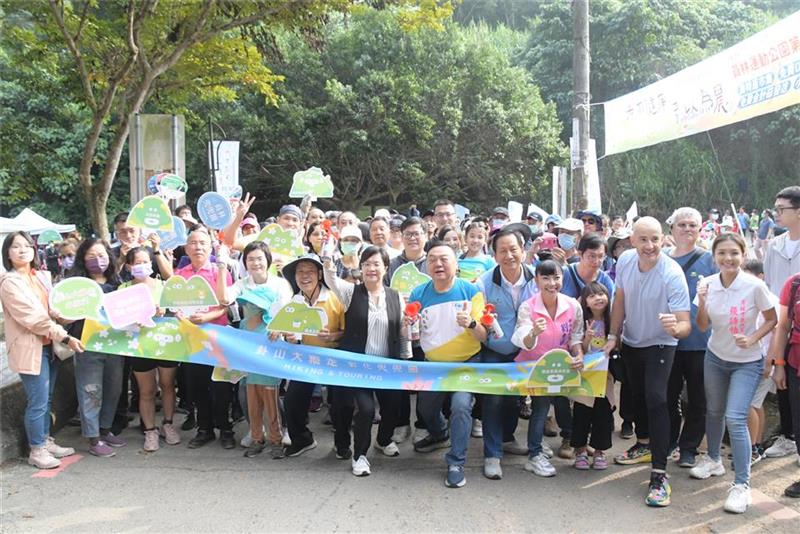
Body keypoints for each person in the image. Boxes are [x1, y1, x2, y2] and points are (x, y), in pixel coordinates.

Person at [605, 216, 691, 507]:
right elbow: (620, 299)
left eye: (655, 239)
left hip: (661, 345)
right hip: (632, 341)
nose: (650, 245)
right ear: (632, 240)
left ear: (663, 239)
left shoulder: (672, 273)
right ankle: (643, 445)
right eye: (644, 239)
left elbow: (685, 325)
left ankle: (659, 474)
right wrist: (613, 336)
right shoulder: (627, 261)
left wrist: (674, 328)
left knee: (657, 399)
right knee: (637, 395)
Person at [689, 233, 777, 514]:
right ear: (714, 256)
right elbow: (702, 326)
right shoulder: (707, 284)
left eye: (734, 253)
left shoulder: (754, 286)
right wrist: (702, 301)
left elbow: (773, 319)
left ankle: (742, 485)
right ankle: (713, 459)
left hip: (747, 362)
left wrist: (752, 339)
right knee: (713, 411)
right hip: (715, 357)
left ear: (743, 254)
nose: (728, 258)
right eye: (722, 253)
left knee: (735, 417)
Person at [323, 246, 411, 476]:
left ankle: (383, 440)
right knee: (366, 409)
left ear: (386, 268)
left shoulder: (395, 296)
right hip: (357, 367)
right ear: (361, 268)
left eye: (376, 264)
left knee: (393, 407)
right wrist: (328, 262)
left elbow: (401, 331)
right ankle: (359, 455)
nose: (372, 268)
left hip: (387, 365)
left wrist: (405, 350)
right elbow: (331, 279)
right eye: (367, 264)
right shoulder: (351, 293)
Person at [0, 232, 85, 469]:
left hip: (50, 348)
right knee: (37, 400)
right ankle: (36, 450)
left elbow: (52, 310)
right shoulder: (9, 283)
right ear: (7, 252)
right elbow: (33, 318)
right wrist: (65, 336)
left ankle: (45, 441)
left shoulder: (40, 277)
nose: (22, 250)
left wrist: (71, 313)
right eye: (15, 246)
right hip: (32, 348)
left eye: (27, 245)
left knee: (46, 399)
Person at [410, 241, 487, 488]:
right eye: (432, 259)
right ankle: (440, 432)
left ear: (456, 264)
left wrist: (472, 324)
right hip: (433, 365)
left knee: (461, 406)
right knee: (426, 410)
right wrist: (407, 324)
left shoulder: (471, 292)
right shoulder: (418, 293)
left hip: (467, 363)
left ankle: (456, 461)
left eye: (444, 259)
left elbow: (485, 335)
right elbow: (410, 332)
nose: (438, 264)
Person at [216, 241, 292, 459]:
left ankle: (276, 440)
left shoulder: (280, 284)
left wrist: (279, 328)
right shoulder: (242, 284)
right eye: (250, 259)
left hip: (270, 348)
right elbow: (224, 298)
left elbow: (285, 314)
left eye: (260, 258)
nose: (256, 263)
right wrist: (222, 266)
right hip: (248, 347)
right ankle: (257, 438)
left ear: (267, 260)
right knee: (252, 396)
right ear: (244, 262)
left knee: (270, 396)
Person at [511, 260, 584, 478]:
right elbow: (520, 337)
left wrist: (578, 353)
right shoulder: (528, 307)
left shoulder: (573, 305)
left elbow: (575, 335)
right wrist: (533, 333)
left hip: (562, 368)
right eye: (546, 278)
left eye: (556, 278)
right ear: (537, 280)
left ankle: (568, 438)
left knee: (563, 404)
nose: (552, 283)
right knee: (541, 408)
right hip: (536, 368)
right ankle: (534, 455)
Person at [475, 227, 538, 480]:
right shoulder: (484, 282)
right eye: (503, 251)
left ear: (523, 251)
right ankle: (492, 454)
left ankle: (508, 437)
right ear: (494, 254)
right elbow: (478, 318)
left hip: (526, 350)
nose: (509, 255)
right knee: (493, 399)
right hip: (495, 350)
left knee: (514, 397)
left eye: (514, 249)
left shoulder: (537, 278)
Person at [664, 207, 717, 468]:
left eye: (692, 225)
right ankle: (669, 441)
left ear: (700, 229)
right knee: (666, 395)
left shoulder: (710, 260)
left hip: (701, 341)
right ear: (671, 228)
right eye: (682, 224)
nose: (687, 229)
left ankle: (689, 447)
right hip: (667, 340)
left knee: (699, 398)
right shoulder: (661, 258)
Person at [177, 226, 235, 450]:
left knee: (220, 387)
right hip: (192, 341)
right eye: (193, 242)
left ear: (210, 247)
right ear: (186, 248)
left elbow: (225, 305)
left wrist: (207, 316)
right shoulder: (180, 275)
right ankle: (204, 429)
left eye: (202, 243)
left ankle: (226, 428)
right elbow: (175, 305)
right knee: (197, 387)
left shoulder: (220, 272)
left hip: (217, 338)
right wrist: (180, 314)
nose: (197, 246)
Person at [282, 255, 346, 457]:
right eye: (299, 272)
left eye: (309, 271)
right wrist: (290, 337)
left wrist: (333, 336)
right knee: (293, 400)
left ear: (319, 274)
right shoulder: (294, 301)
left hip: (334, 358)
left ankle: (342, 444)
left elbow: (348, 331)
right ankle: (302, 439)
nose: (304, 276)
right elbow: (287, 332)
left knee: (340, 404)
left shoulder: (335, 298)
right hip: (306, 359)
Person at [69, 238, 127, 457]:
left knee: (114, 389)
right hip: (87, 345)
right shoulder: (75, 285)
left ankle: (105, 429)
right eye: (91, 256)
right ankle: (93, 438)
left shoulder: (117, 282)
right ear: (82, 258)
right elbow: (66, 315)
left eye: (102, 255)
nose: (97, 260)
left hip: (114, 345)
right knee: (91, 390)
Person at [120, 247, 180, 452]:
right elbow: (119, 321)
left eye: (145, 261)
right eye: (137, 262)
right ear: (129, 266)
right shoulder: (124, 289)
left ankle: (169, 424)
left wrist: (165, 311)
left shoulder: (164, 286)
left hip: (165, 344)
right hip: (140, 347)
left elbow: (177, 313)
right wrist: (133, 320)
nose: (142, 266)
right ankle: (150, 430)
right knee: (146, 390)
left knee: (168, 384)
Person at [763, 186, 800, 459]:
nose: (777, 214)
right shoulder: (774, 245)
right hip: (779, 321)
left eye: (782, 209)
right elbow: (768, 283)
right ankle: (787, 435)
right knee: (782, 378)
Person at [571, 282, 614, 471]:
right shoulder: (582, 321)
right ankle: (580, 451)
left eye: (602, 294)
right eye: (592, 296)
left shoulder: (614, 321)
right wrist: (588, 337)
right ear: (585, 302)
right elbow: (581, 348)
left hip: (606, 377)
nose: (598, 298)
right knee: (582, 412)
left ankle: (599, 451)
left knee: (603, 414)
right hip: (586, 377)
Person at [742, 260, 778, 465]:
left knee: (750, 404)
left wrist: (770, 362)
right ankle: (757, 444)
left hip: (764, 360)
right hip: (752, 359)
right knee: (756, 404)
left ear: (761, 276)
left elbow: (776, 333)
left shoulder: (769, 299)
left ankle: (753, 448)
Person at [769, 270, 800, 498]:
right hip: (795, 363)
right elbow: (782, 327)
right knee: (798, 424)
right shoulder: (794, 283)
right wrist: (778, 364)